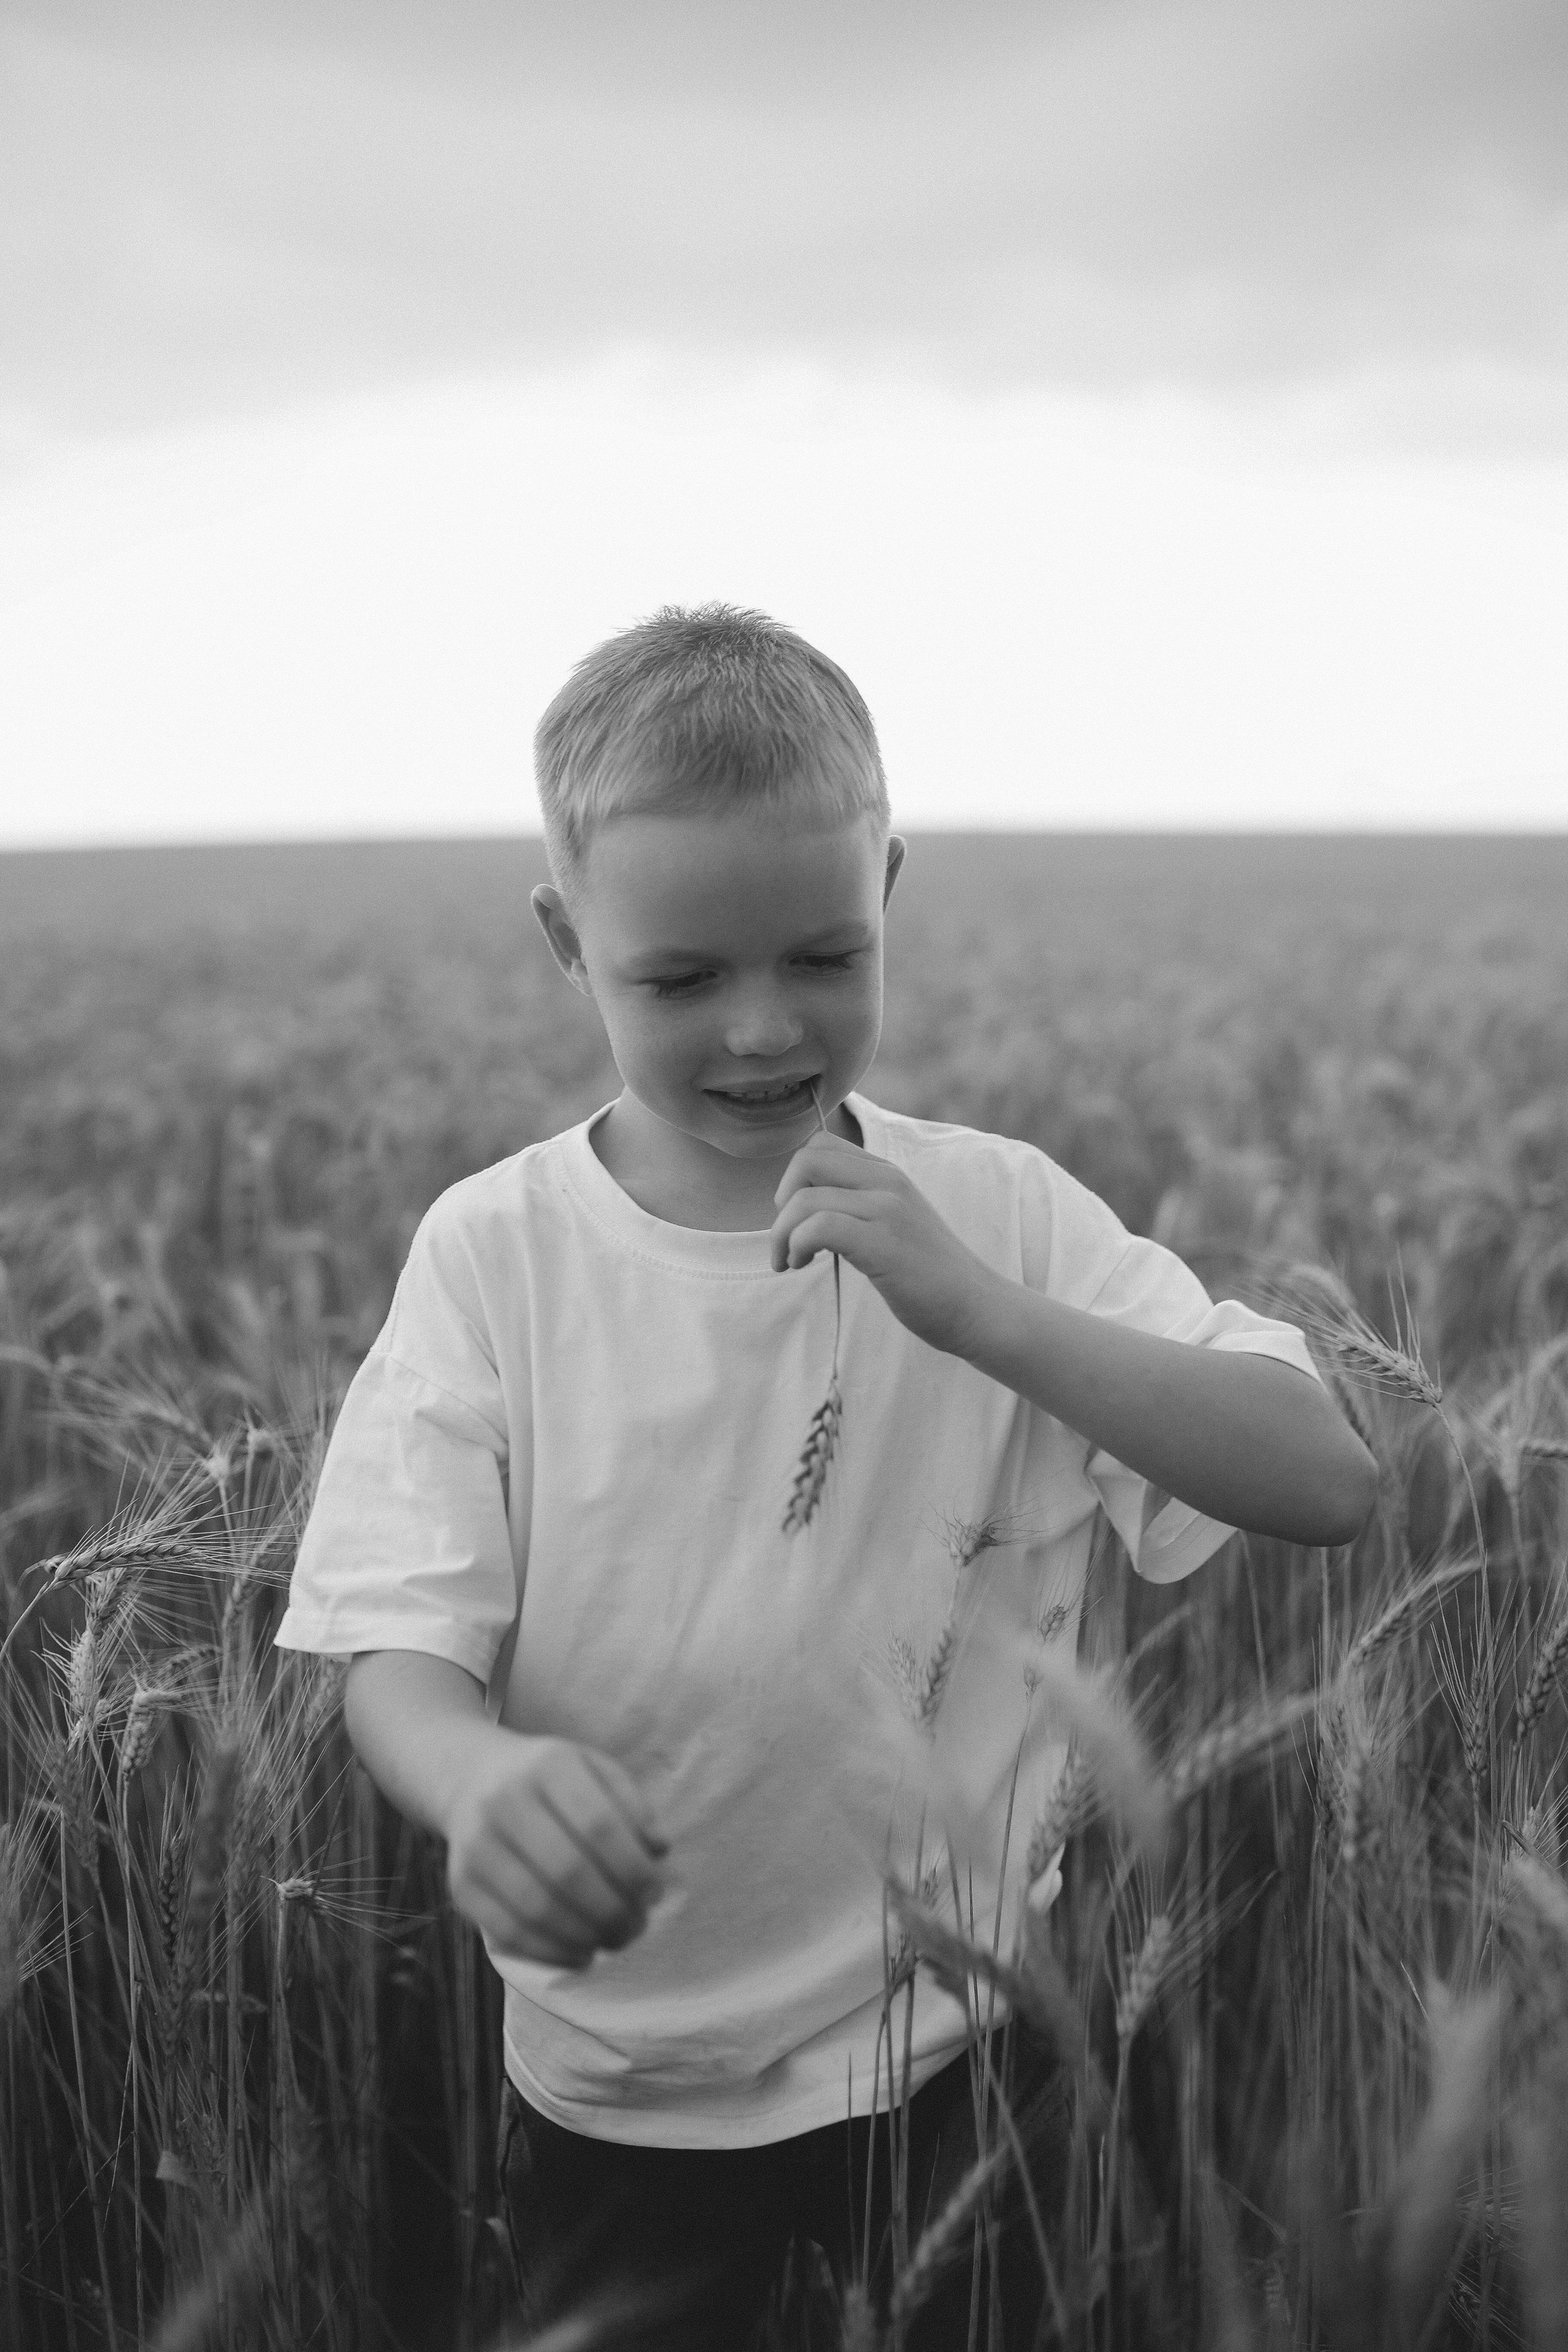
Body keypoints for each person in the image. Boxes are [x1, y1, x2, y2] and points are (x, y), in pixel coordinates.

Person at [274, 604, 1377, 2346]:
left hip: (973, 2043)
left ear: (891, 891)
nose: (765, 1030)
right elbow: (389, 1643)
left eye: (823, 954)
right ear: (569, 940)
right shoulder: (497, 1255)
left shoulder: (996, 1215)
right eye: (682, 977)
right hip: (632, 2075)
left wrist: (985, 1314)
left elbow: (1326, 1476)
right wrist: (478, 1780)